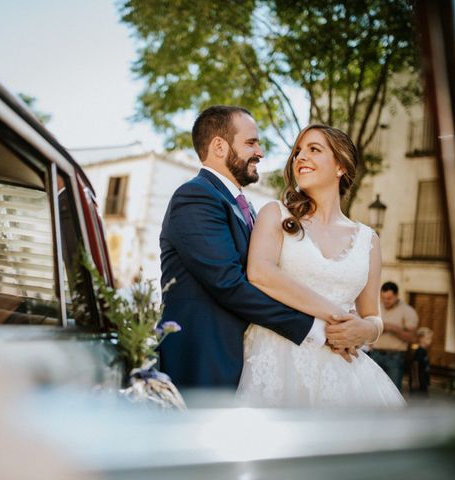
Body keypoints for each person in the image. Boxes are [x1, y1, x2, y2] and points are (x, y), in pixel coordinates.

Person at [158, 106, 377, 390]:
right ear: (219, 146)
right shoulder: (195, 197)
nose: (260, 152)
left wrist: (365, 328)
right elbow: (229, 283)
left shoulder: (244, 206)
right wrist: (319, 328)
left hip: (246, 360)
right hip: (203, 359)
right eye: (251, 143)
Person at [237, 124, 404, 407]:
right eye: (298, 152)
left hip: (341, 368)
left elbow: (372, 316)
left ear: (340, 166)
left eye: (314, 149)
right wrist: (337, 315)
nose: (300, 157)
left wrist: (366, 331)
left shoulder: (368, 241)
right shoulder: (275, 214)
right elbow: (260, 273)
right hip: (276, 359)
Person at [368, 281, 420, 391]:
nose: (386, 301)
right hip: (375, 354)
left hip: (396, 357)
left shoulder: (408, 311)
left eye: (389, 298)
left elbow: (413, 337)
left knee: (392, 391)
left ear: (397, 296)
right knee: (371, 390)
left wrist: (393, 328)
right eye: (383, 298)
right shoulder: (376, 308)